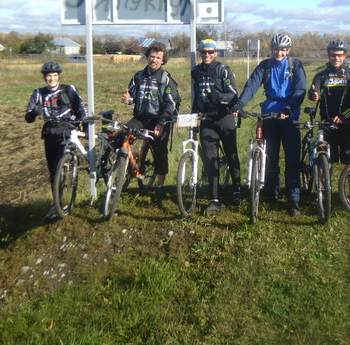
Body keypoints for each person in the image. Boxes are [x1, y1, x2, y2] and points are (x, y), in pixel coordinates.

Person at [232, 33, 307, 216]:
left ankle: (293, 199)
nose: (279, 52)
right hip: (269, 115)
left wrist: (289, 107)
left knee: (292, 160)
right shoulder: (265, 66)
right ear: (272, 49)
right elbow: (252, 85)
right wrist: (240, 104)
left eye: (282, 49)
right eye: (276, 49)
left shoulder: (295, 65)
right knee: (270, 157)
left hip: (289, 116)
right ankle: (271, 194)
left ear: (288, 50)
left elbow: (300, 89)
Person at [25, 61, 88, 221]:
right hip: (50, 133)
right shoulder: (38, 93)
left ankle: (60, 203)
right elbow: (28, 117)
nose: (52, 79)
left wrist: (86, 128)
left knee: (60, 164)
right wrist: (34, 112)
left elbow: (81, 108)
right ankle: (56, 203)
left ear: (58, 76)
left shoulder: (68, 89)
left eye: (54, 75)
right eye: (49, 76)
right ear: (44, 77)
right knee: (53, 171)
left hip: (67, 131)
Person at [121, 42, 179, 202]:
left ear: (163, 60)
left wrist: (162, 122)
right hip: (140, 118)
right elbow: (132, 97)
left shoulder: (166, 78)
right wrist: (128, 99)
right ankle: (127, 168)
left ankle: (160, 187)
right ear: (147, 57)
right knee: (122, 136)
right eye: (152, 56)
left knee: (160, 152)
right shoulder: (138, 76)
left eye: (158, 57)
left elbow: (171, 103)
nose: (154, 60)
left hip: (159, 120)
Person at [191, 39, 242, 215]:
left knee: (231, 154)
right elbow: (196, 96)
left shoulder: (223, 70)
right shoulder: (195, 71)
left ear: (216, 53)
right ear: (200, 53)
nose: (206, 55)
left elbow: (234, 95)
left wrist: (218, 96)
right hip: (206, 119)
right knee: (210, 159)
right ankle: (214, 198)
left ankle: (237, 189)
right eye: (203, 52)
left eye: (210, 52)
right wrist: (193, 118)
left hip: (224, 118)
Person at [307, 39, 350, 167]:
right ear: (328, 55)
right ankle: (326, 180)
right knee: (325, 163)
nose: (336, 58)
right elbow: (314, 89)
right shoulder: (321, 75)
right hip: (327, 124)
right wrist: (313, 94)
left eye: (340, 55)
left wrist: (343, 116)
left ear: (345, 56)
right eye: (333, 54)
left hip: (347, 124)